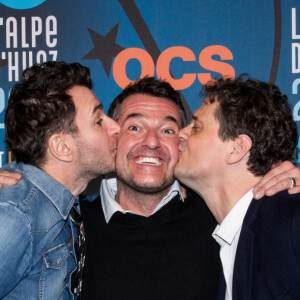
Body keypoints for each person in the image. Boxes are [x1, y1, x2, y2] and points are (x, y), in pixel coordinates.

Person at [1, 76, 300, 299]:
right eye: (135, 126)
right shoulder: (67, 224)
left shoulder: (223, 220)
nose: (152, 141)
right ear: (113, 136)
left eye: (169, 129)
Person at [0, 61, 120, 299]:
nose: (116, 126)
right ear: (62, 147)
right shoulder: (16, 216)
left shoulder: (62, 204)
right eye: (98, 121)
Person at [174, 75, 300, 299]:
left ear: (237, 148)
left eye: (197, 127)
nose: (180, 134)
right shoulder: (229, 236)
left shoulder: (290, 221)